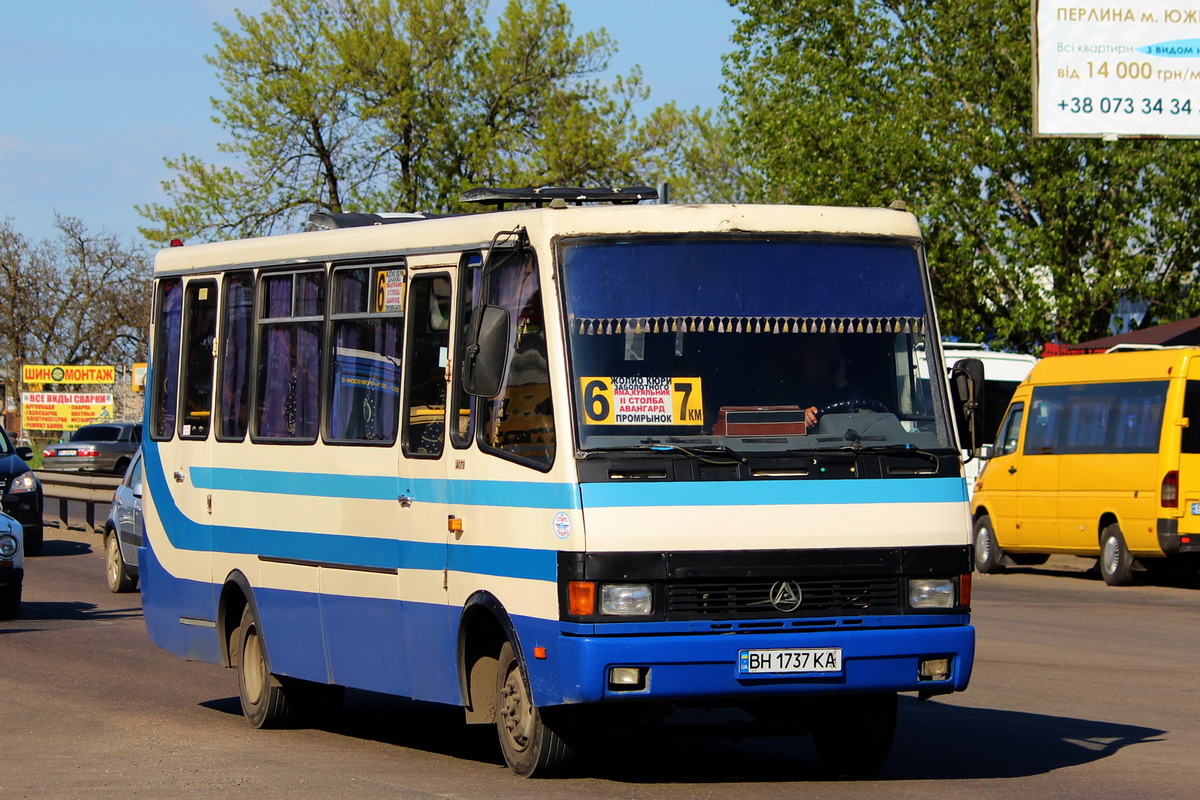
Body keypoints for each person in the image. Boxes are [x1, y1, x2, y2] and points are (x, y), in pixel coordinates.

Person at [797, 335, 850, 426]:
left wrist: (841, 382)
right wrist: (800, 415)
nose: (821, 356)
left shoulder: (836, 390)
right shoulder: (785, 391)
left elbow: (861, 412)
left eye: (826, 351)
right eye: (815, 351)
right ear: (802, 355)